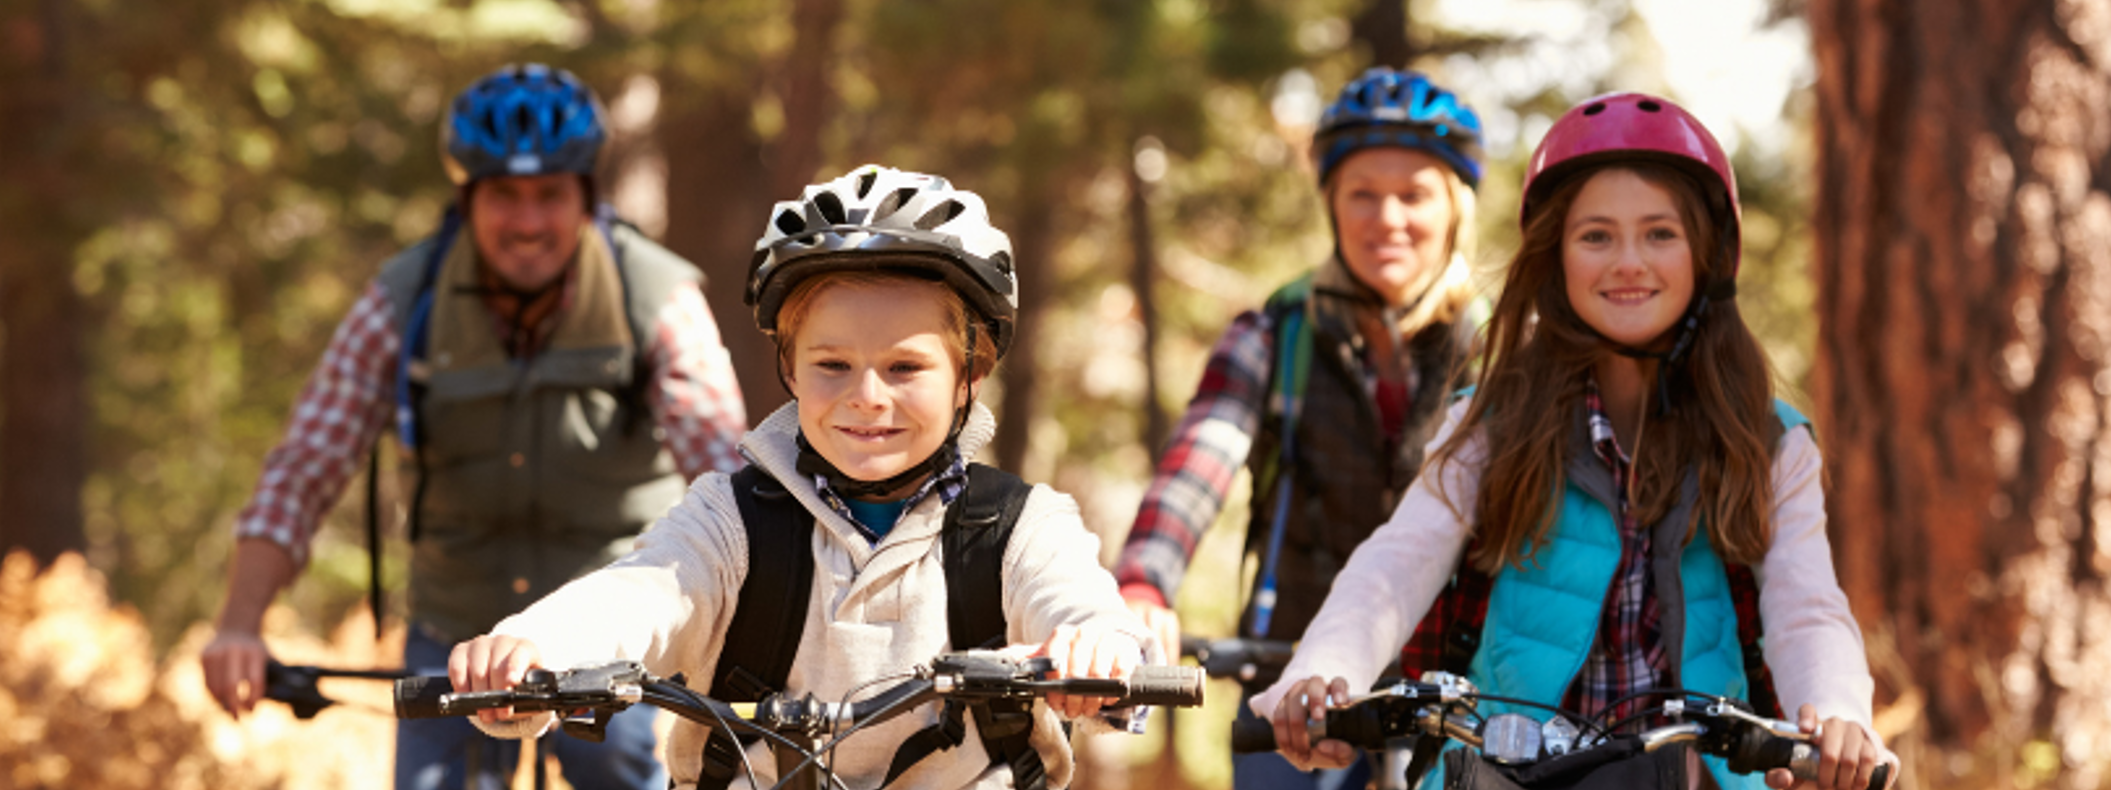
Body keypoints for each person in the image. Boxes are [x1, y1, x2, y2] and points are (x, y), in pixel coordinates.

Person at [1255, 93, 1896, 790]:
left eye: (1659, 233)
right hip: (1506, 772)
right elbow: (1396, 562)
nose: (1627, 261)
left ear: (1707, 254)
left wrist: (1836, 712)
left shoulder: (1767, 439)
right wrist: (1324, 670)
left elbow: (1806, 605)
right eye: (1595, 236)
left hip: (1696, 776)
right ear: (1554, 256)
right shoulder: (1491, 423)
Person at [446, 165, 1153, 790]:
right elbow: (642, 592)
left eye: (905, 367)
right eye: (831, 365)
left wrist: (1096, 648)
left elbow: (1083, 608)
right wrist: (536, 646)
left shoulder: (1022, 528)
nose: (867, 396)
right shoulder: (729, 520)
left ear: (970, 371)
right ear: (789, 368)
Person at [198, 63, 748, 790]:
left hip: (610, 629)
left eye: (549, 195)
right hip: (452, 628)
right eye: (503, 196)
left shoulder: (655, 295)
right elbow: (305, 464)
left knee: (626, 772)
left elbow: (727, 476)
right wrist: (240, 620)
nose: (527, 222)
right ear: (465, 200)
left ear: (585, 196)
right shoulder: (404, 298)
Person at [1109, 67, 1487, 788]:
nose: (1388, 218)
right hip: (1295, 675)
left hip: (1461, 674)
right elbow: (1199, 459)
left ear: (1455, 208)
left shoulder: (1504, 349)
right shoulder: (1275, 335)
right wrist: (1144, 586)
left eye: (1413, 195)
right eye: (1362, 194)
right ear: (1330, 203)